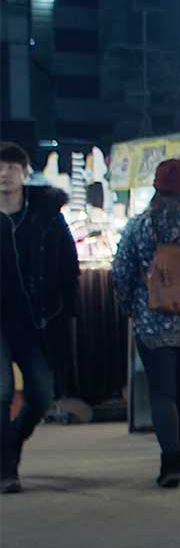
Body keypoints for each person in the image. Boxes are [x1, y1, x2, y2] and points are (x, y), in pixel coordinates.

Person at [111, 160, 180, 488]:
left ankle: (170, 461)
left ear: (156, 186)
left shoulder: (139, 225)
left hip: (151, 323)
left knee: (162, 393)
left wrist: (131, 308)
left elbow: (122, 272)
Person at [0, 141, 79, 494]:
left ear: (24, 172)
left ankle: (13, 439)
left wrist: (68, 309)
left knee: (41, 394)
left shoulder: (45, 213)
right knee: (1, 392)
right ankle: (6, 469)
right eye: (0, 168)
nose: (4, 175)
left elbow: (68, 264)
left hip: (37, 319)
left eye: (12, 168)